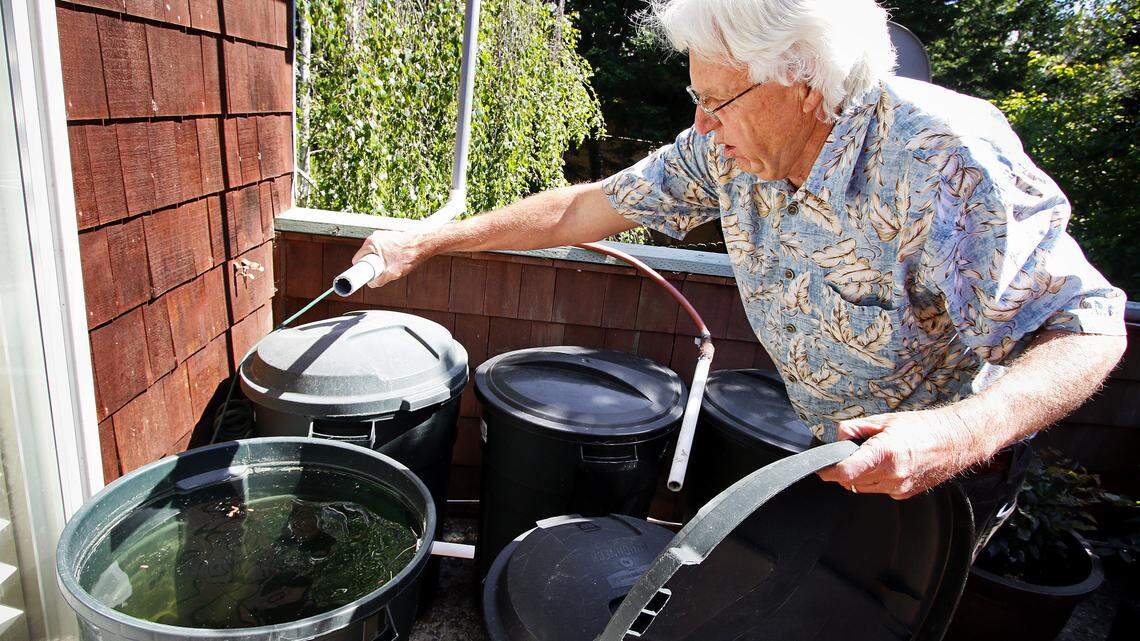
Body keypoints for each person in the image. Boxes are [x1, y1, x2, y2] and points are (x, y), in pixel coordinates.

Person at [352, 0, 1127, 551]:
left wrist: (958, 433)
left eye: (716, 99)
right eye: (698, 97)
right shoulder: (727, 150)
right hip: (835, 448)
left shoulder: (943, 158)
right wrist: (429, 242)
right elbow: (577, 211)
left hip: (948, 470)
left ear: (804, 82)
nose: (700, 123)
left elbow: (1085, 327)